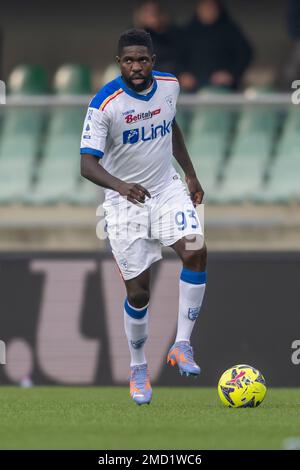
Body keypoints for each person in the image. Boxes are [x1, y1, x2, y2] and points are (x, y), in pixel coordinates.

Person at [80, 29, 207, 406]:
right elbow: (87, 164)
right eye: (129, 61)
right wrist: (121, 186)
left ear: (153, 60)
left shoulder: (169, 86)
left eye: (143, 59)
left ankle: (182, 344)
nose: (137, 66)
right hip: (124, 203)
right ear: (119, 63)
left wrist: (190, 171)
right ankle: (138, 367)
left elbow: (171, 126)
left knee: (196, 252)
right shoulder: (105, 104)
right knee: (139, 293)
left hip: (165, 189)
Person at [179, 0, 253, 91]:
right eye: (205, 8)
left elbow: (245, 53)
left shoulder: (230, 30)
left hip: (222, 89)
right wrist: (182, 74)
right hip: (192, 89)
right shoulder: (188, 31)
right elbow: (176, 56)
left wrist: (231, 74)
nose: (208, 11)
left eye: (211, 8)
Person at [133, 0, 181, 75]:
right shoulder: (134, 35)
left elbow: (177, 59)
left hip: (168, 75)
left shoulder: (173, 33)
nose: (153, 16)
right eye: (148, 12)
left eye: (156, 12)